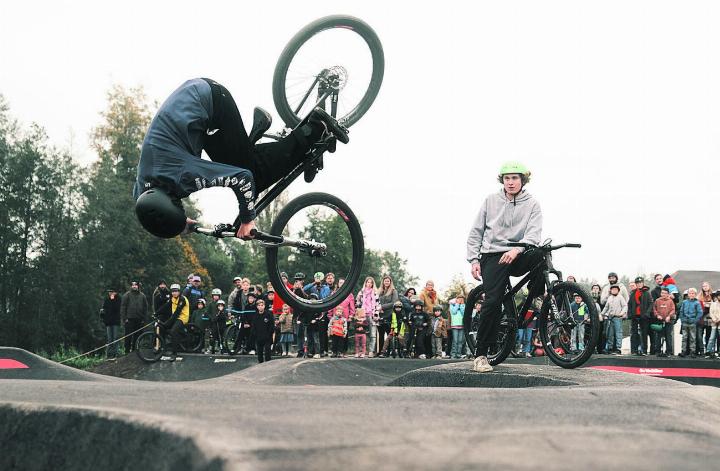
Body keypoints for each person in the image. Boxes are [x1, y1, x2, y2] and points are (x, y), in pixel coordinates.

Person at [132, 78, 348, 240]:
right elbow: (149, 210)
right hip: (191, 106)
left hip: (212, 102)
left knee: (255, 175)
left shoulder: (182, 175)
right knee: (239, 160)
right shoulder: (144, 190)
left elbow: (242, 179)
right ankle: (256, 138)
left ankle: (316, 128)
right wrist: (180, 222)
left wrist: (247, 219)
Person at [466, 162, 543, 373]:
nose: (510, 182)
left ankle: (536, 296)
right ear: (502, 180)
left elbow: (533, 235)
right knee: (492, 300)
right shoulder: (491, 201)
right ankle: (480, 355)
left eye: (515, 178)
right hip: (493, 256)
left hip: (517, 253)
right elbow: (476, 232)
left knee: (541, 253)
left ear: (522, 180)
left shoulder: (532, 204)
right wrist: (474, 260)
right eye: (507, 178)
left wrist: (517, 249)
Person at [628, 277, 654, 355]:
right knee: (634, 334)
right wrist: (630, 314)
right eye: (638, 283)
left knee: (644, 334)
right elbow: (629, 304)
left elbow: (650, 304)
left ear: (643, 283)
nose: (639, 284)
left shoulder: (647, 293)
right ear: (636, 284)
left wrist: (647, 313)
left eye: (640, 283)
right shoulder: (633, 293)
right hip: (635, 316)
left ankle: (644, 350)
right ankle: (634, 350)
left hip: (644, 317)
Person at [164, 283, 190, 361]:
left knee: (173, 331)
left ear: (179, 292)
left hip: (182, 317)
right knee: (165, 327)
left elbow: (177, 313)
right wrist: (156, 313)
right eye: (172, 291)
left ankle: (174, 353)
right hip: (176, 317)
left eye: (176, 291)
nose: (174, 293)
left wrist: (168, 322)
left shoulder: (182, 299)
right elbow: (165, 307)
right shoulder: (172, 298)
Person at [121, 281, 149, 353]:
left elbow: (145, 308)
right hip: (129, 319)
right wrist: (125, 319)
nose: (134, 286)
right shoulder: (126, 295)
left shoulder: (142, 296)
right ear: (131, 286)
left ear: (138, 286)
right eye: (133, 285)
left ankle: (134, 351)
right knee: (128, 336)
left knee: (137, 336)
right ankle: (127, 351)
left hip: (139, 319)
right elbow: (123, 307)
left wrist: (144, 319)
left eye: (136, 285)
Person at [600, 284, 627, 355]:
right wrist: (602, 314)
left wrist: (621, 313)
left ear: (618, 290)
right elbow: (606, 307)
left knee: (618, 333)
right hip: (610, 318)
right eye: (612, 289)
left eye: (615, 289)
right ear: (611, 291)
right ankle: (610, 347)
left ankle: (618, 348)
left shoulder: (620, 297)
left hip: (617, 317)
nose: (614, 291)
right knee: (610, 333)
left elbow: (625, 306)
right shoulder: (609, 298)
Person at [357, 277, 379, 357]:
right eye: (368, 282)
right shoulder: (361, 292)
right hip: (363, 314)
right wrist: (359, 312)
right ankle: (361, 351)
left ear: (373, 284)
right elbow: (358, 302)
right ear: (365, 283)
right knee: (360, 332)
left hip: (372, 314)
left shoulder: (375, 293)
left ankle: (371, 351)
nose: (369, 284)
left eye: (371, 282)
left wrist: (376, 314)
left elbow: (378, 304)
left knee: (372, 334)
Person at [377, 275, 400, 354]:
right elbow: (376, 301)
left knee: (389, 334)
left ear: (390, 282)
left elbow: (394, 303)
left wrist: (382, 307)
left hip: (389, 315)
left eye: (388, 281)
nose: (386, 282)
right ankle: (380, 351)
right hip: (380, 315)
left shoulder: (394, 291)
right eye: (385, 281)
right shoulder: (379, 291)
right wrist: (378, 308)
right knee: (380, 334)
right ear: (383, 282)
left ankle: (389, 351)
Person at [679, 288, 703, 357]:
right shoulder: (684, 302)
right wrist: (682, 319)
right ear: (688, 294)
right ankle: (683, 351)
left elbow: (700, 312)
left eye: (693, 293)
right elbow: (681, 311)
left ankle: (693, 351)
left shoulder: (697, 303)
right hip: (685, 322)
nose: (691, 295)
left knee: (693, 338)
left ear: (695, 295)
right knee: (684, 337)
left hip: (692, 322)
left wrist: (695, 320)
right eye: (690, 293)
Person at [652, 288, 676, 357]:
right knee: (658, 336)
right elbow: (654, 309)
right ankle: (658, 351)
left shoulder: (670, 301)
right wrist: (657, 315)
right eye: (662, 293)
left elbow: (673, 310)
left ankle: (668, 351)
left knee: (668, 336)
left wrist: (669, 316)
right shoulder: (657, 300)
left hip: (668, 321)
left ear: (668, 294)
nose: (663, 294)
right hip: (659, 321)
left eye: (665, 293)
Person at [251, 298, 274, 363]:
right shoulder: (255, 316)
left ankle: (268, 364)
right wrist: (255, 335)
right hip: (259, 337)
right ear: (257, 306)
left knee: (267, 353)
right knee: (259, 353)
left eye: (262, 305)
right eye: (259, 305)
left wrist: (269, 334)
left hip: (267, 337)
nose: (260, 307)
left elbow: (271, 325)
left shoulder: (268, 314)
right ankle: (260, 363)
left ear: (264, 306)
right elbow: (253, 326)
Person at [101, 289, 122, 359]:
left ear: (115, 292)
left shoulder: (118, 299)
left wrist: (113, 300)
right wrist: (103, 315)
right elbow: (104, 309)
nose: (110, 293)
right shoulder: (106, 299)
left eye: (112, 292)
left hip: (115, 322)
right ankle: (109, 354)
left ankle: (115, 353)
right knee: (109, 339)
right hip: (108, 322)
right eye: (109, 292)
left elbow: (116, 309)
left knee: (115, 338)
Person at [449, 295, 466, 359]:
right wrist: (457, 304)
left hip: (462, 325)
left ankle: (459, 354)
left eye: (462, 299)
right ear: (456, 299)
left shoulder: (464, 305)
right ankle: (453, 354)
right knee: (455, 341)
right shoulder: (452, 305)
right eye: (459, 299)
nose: (460, 300)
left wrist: (461, 305)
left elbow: (463, 313)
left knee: (460, 341)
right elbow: (453, 312)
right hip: (455, 325)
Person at [705, 294, 720, 358]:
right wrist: (714, 319)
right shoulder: (713, 304)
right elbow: (711, 312)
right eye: (719, 295)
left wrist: (719, 319)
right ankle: (709, 351)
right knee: (712, 337)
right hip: (714, 323)